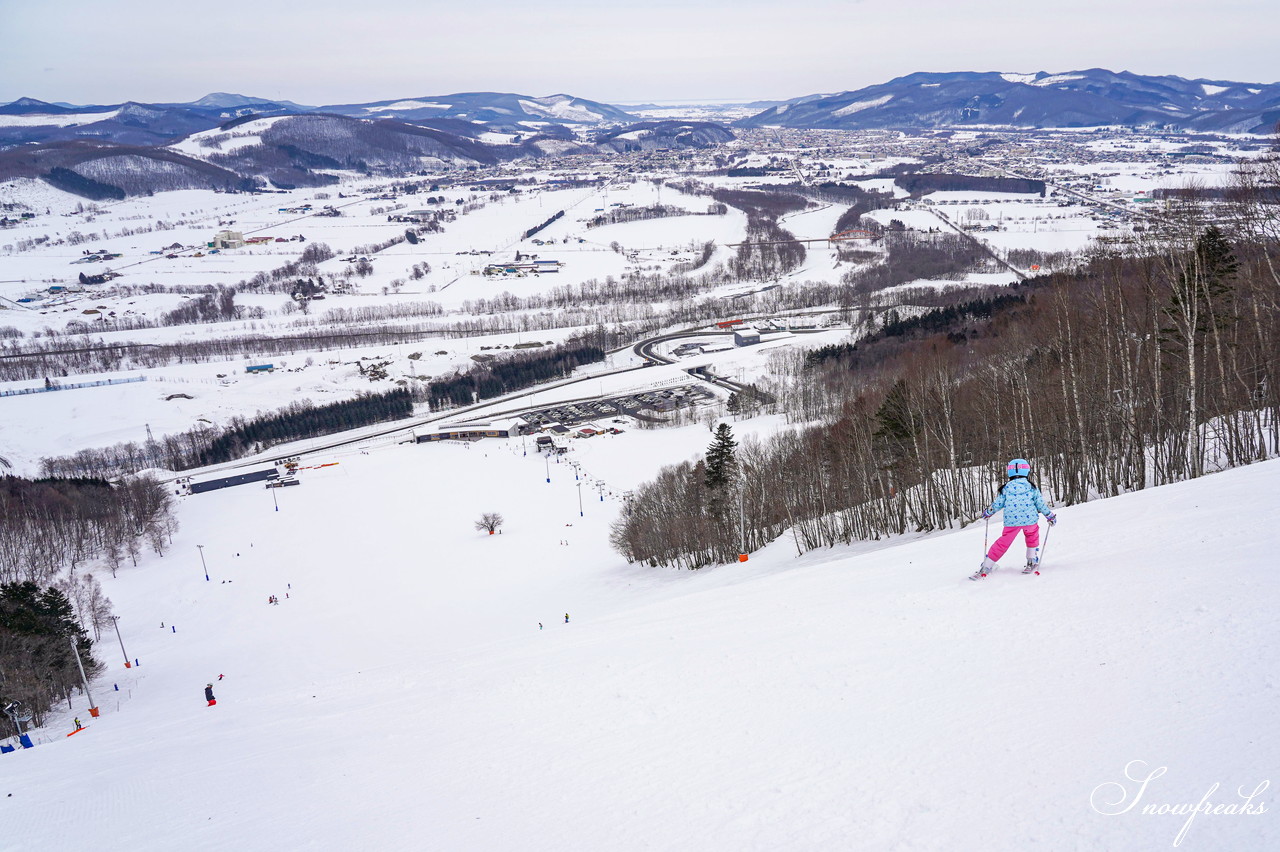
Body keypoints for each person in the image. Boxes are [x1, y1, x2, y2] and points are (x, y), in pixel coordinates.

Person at [972, 458, 1057, 579]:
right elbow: (1040, 504)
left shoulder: (1006, 488)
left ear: (1010, 473)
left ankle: (987, 566)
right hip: (1030, 520)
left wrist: (988, 512)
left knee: (1003, 543)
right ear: (1026, 471)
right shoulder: (1031, 487)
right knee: (1032, 535)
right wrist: (1049, 516)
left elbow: (998, 503)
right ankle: (1031, 560)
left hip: (1012, 522)